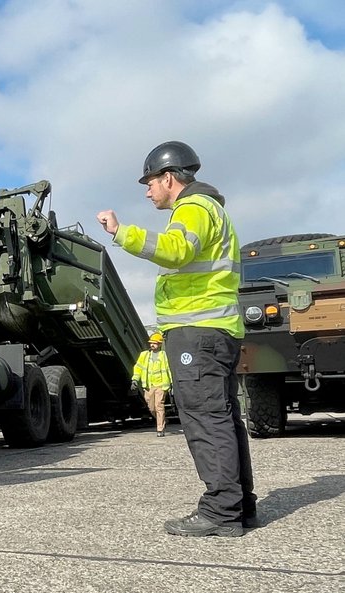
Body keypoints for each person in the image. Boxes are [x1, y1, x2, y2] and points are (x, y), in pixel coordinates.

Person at [96, 141, 256, 538]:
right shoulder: (211, 210)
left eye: (149, 182)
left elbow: (176, 250)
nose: (147, 191)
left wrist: (121, 232)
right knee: (223, 418)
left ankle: (221, 512)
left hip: (198, 332)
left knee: (205, 419)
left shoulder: (194, 209)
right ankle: (239, 506)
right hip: (215, 330)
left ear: (169, 178)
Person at [131, 333, 171, 437]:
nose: (152, 345)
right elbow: (138, 368)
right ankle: (162, 419)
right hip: (149, 386)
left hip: (161, 385)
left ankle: (160, 429)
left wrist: (172, 384)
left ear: (160, 344)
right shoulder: (144, 355)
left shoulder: (164, 356)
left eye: (155, 343)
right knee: (152, 408)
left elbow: (169, 370)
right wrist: (135, 380)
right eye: (151, 343)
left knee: (159, 406)